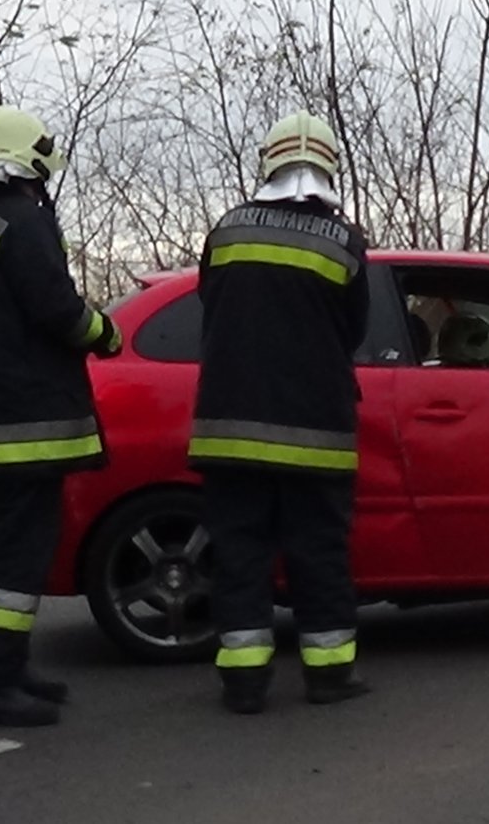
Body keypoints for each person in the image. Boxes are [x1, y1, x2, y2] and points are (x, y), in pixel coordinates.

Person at [0, 105, 121, 726]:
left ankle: (6, 668)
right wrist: (106, 333)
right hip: (28, 425)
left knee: (4, 550)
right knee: (14, 557)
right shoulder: (24, 221)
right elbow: (57, 310)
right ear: (32, 164)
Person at [188, 109, 371, 715]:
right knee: (318, 554)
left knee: (239, 554)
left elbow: (209, 305)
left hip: (229, 429)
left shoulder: (226, 232)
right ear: (327, 167)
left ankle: (243, 683)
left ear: (266, 163)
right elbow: (353, 330)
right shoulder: (342, 241)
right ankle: (328, 676)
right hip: (314, 432)